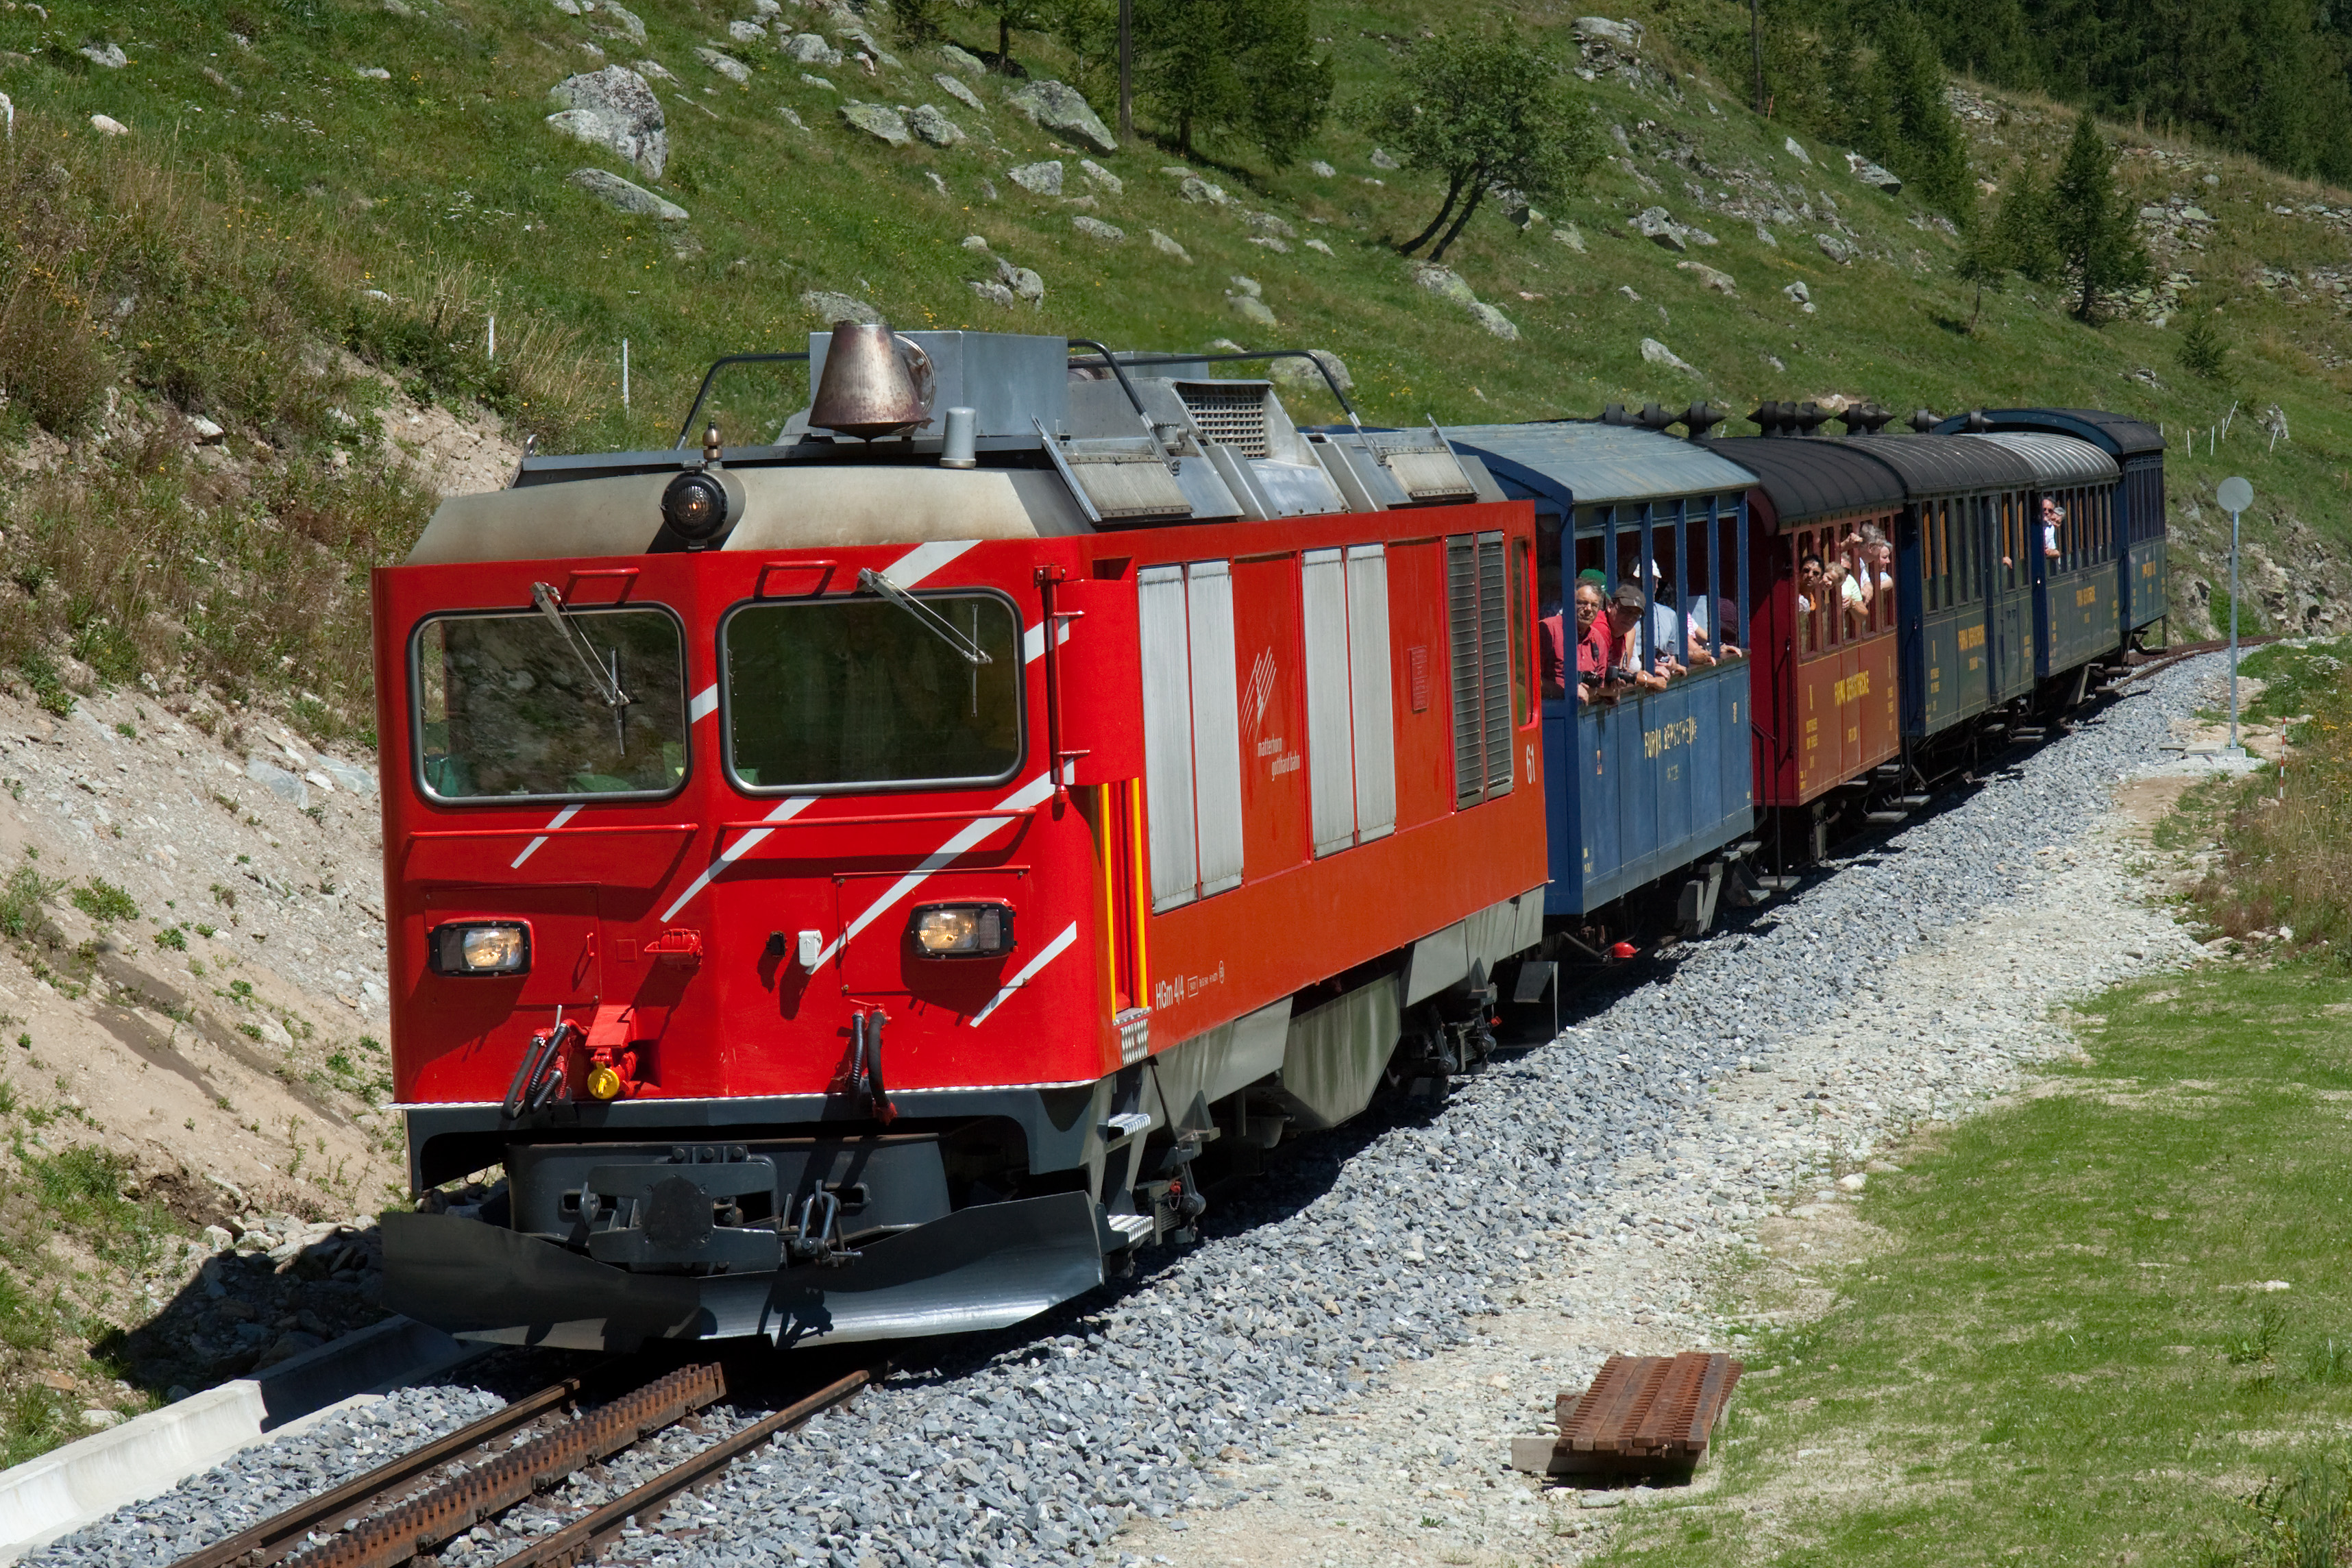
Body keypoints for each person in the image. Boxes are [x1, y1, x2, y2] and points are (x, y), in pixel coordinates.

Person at [1606, 583, 1670, 691]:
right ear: (1610, 607)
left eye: (1635, 615)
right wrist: (1649, 680)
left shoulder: (1625, 632)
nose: (1630, 618)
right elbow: (1604, 676)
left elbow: (1621, 671)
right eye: (1625, 611)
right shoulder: (1601, 630)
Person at [1572, 581, 1610, 702]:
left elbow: (1599, 681)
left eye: (1594, 605)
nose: (1588, 609)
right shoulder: (1551, 630)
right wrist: (1569, 688)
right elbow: (1532, 681)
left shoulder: (1598, 639)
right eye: (1582, 603)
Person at [2041, 496, 2064, 560]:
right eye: (2044, 509)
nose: (2046, 512)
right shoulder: (2033, 524)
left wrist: (2050, 552)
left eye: (2050, 510)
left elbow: (2053, 551)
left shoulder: (2050, 527)